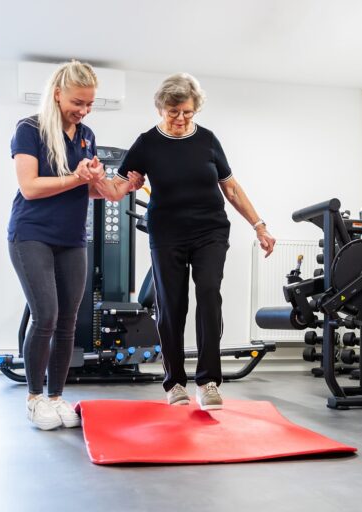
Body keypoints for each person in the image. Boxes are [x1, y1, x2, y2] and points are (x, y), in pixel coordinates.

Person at [95, 73, 275, 410]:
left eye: (187, 112)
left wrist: (259, 225)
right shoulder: (147, 143)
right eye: (173, 111)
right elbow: (116, 189)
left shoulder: (207, 140)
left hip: (210, 231)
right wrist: (107, 182)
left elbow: (231, 188)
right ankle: (175, 382)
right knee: (172, 304)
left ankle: (208, 382)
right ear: (161, 108)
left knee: (209, 294)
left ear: (196, 110)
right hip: (166, 233)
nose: (180, 119)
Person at [8, 60, 143, 430]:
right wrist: (76, 177)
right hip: (30, 234)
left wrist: (122, 186)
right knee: (46, 316)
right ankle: (35, 398)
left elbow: (97, 190)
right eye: (77, 102)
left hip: (71, 238)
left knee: (68, 322)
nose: (83, 110)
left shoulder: (86, 135)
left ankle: (56, 397)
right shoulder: (29, 129)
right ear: (57, 93)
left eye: (89, 104)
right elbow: (31, 188)